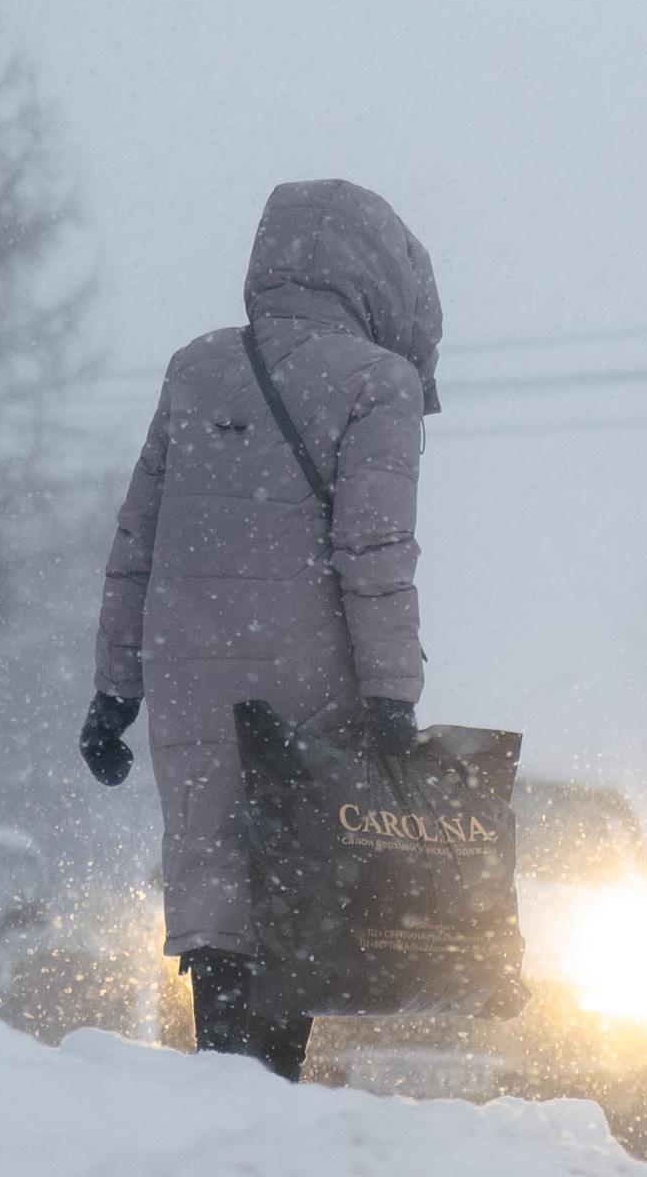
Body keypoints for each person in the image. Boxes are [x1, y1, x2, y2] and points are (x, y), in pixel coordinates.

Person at [84, 179, 441, 1079]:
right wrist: (393, 693)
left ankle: (224, 1087)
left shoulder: (195, 369)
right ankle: (267, 1118)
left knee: (216, 893)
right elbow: (375, 551)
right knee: (300, 888)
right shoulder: (375, 382)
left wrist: (113, 688)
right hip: (309, 690)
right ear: (375, 278)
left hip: (190, 684)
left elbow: (136, 539)